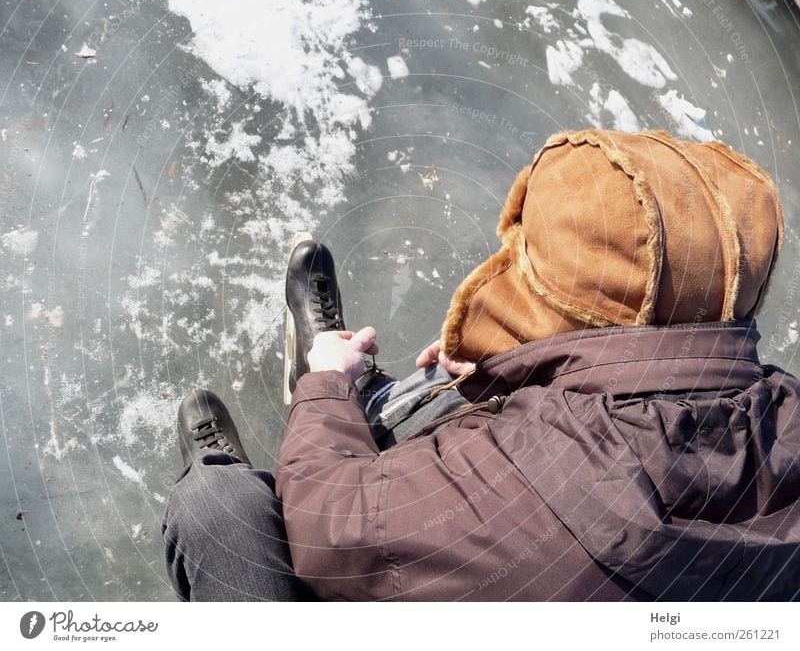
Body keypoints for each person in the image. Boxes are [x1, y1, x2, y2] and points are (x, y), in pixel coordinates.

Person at [162, 128, 800, 601]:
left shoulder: (511, 494)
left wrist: (327, 382)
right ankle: (380, 406)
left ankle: (321, 396)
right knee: (462, 388)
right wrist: (528, 368)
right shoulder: (784, 412)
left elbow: (326, 524)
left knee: (219, 512)